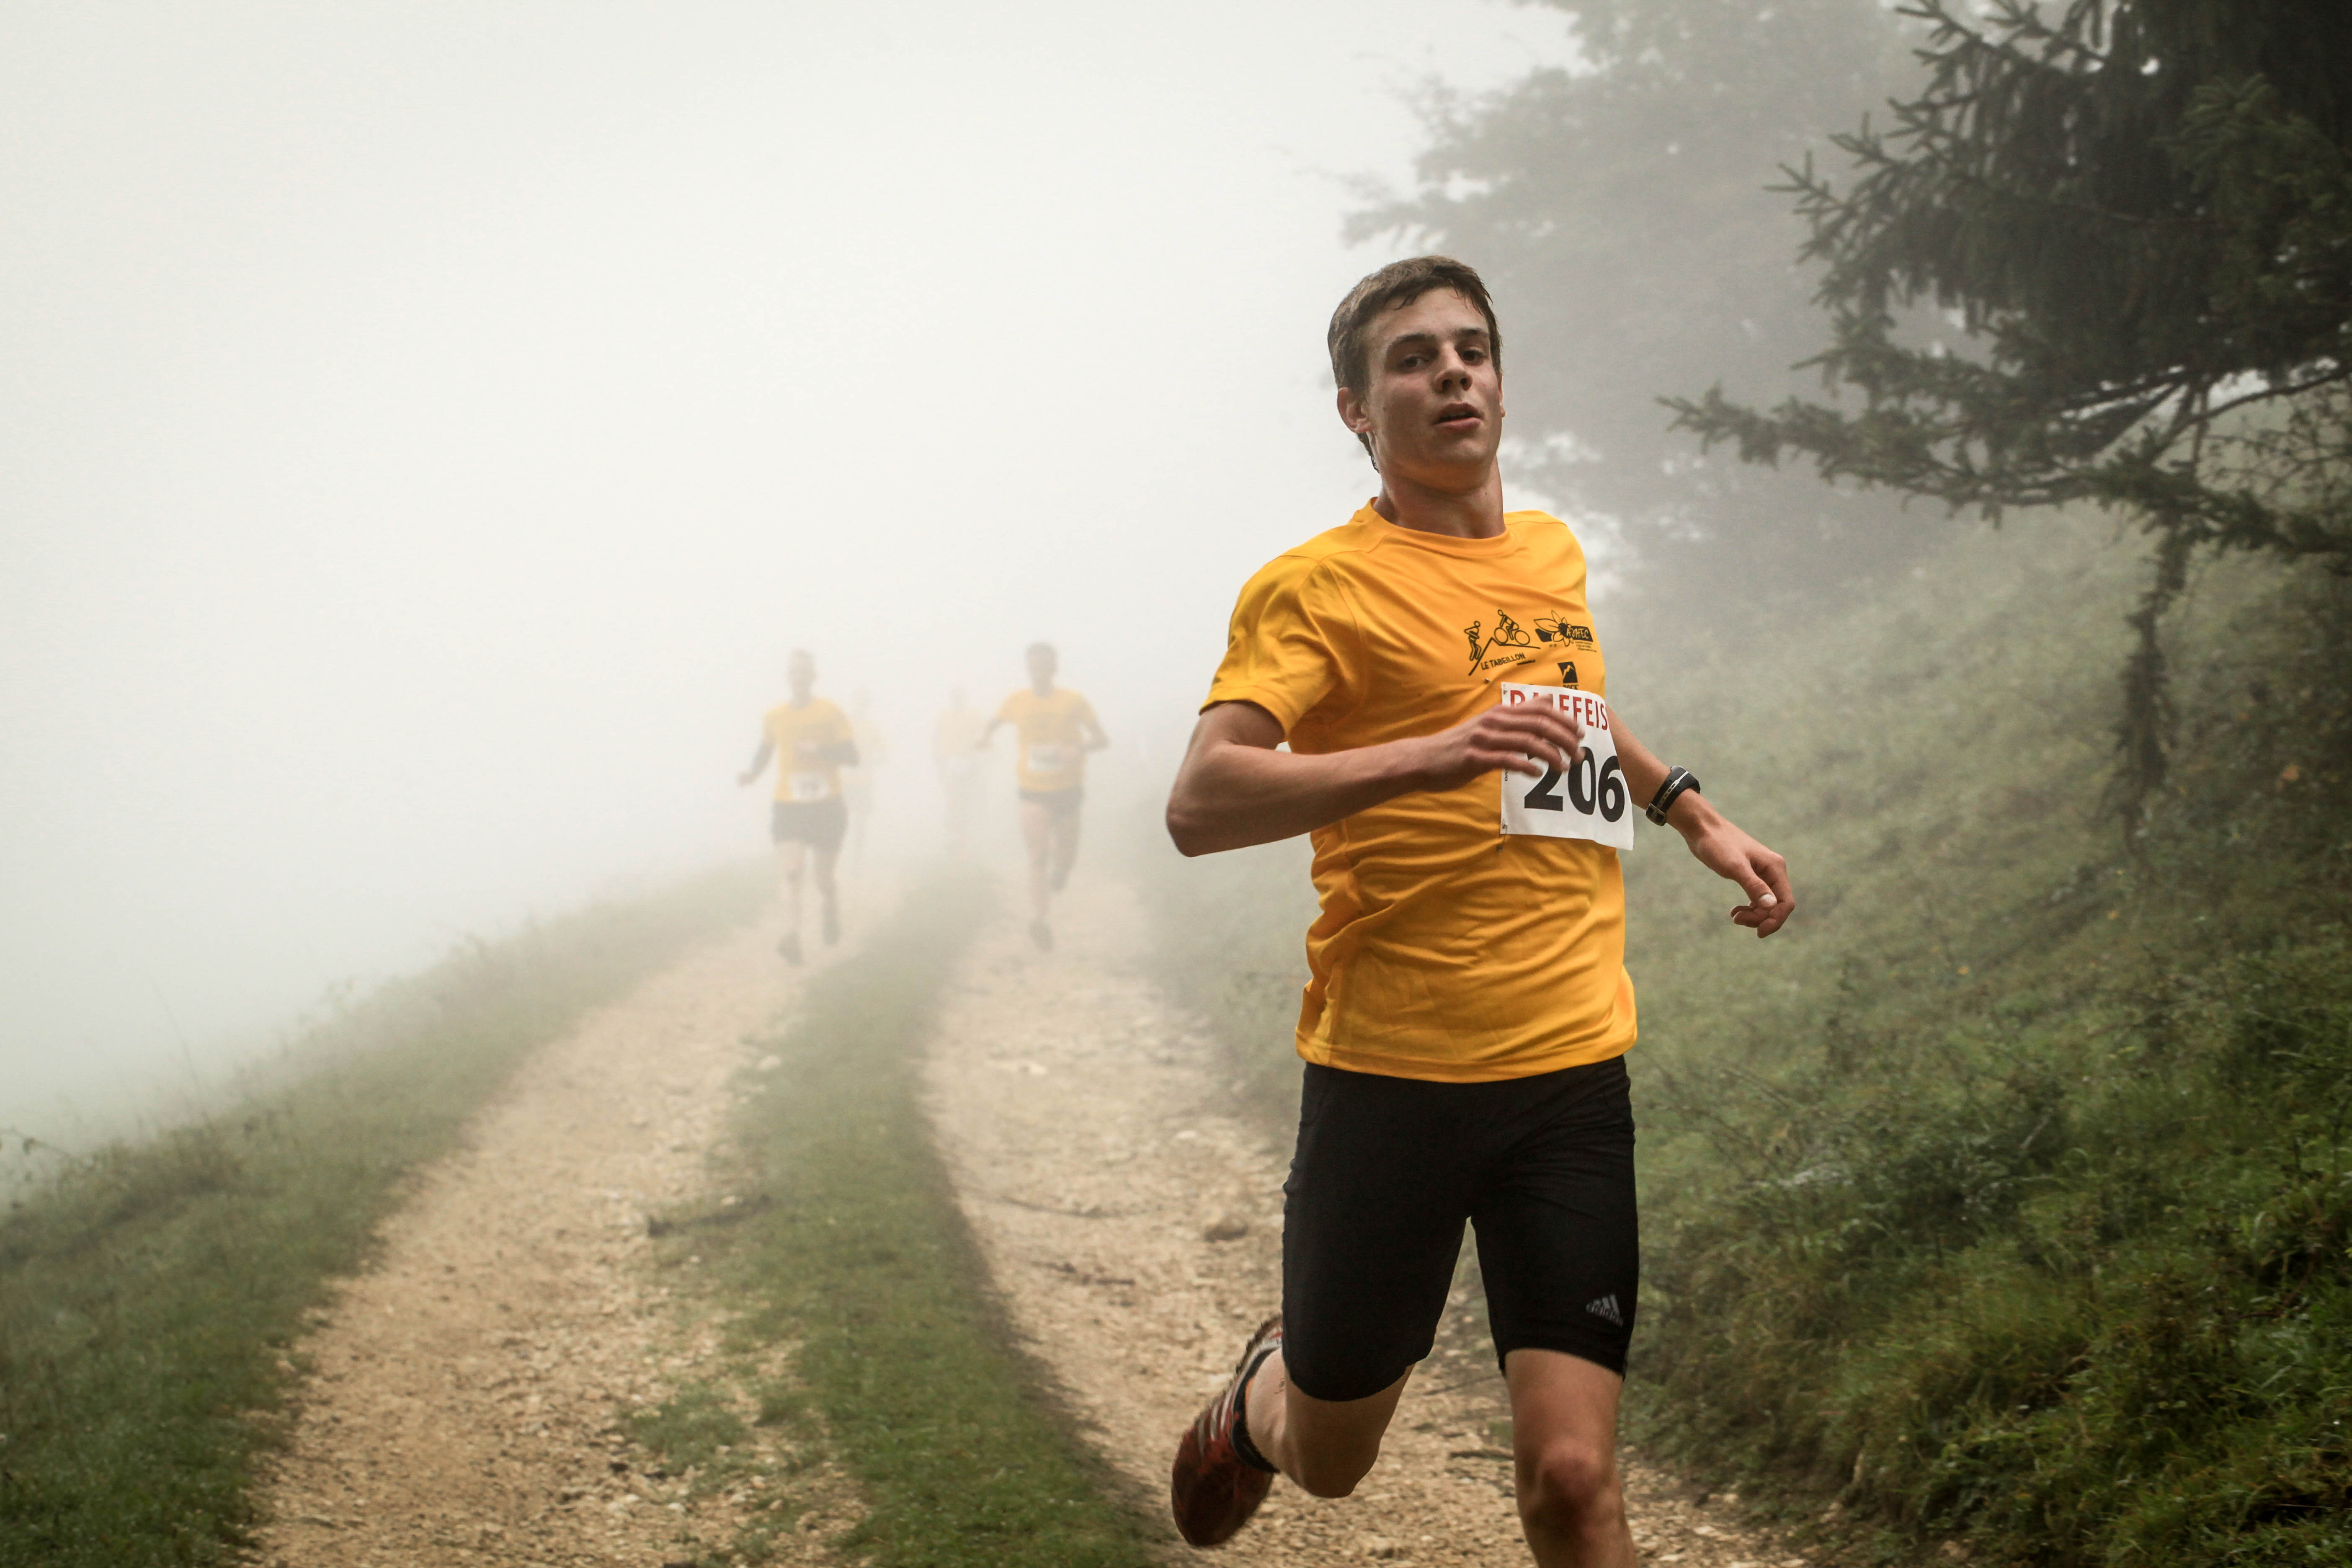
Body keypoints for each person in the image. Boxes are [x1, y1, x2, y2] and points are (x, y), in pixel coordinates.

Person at [1161, 257, 1794, 1565]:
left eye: (1472, 350)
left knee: (1571, 1480)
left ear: (1500, 381)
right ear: (1357, 410)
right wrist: (1434, 755)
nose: (1452, 372)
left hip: (1567, 1071)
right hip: (1390, 1079)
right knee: (1332, 1460)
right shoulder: (1316, 588)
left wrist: (1688, 808)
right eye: (1413, 359)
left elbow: (1564, 700)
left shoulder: (1549, 551)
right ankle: (1261, 1398)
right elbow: (1202, 801)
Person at [980, 643, 1106, 949]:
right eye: (1034, 667)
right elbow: (994, 723)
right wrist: (983, 738)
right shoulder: (1017, 701)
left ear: (1054, 668)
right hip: (1032, 789)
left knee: (1066, 853)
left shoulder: (1073, 701)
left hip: (1068, 789)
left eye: (1045, 666)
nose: (1039, 672)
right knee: (1037, 855)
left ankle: (1062, 871)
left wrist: (1078, 748)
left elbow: (1101, 739)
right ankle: (1040, 919)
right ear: (1028, 669)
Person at [737, 649, 859, 964]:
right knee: (792, 872)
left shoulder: (830, 712)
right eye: (795, 672)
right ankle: (792, 937)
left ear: (814, 677)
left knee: (823, 879)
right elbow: (765, 750)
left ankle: (830, 907)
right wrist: (752, 775)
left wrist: (819, 749)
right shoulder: (775, 716)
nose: (800, 677)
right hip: (789, 805)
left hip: (827, 806)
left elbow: (852, 757)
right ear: (788, 677)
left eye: (805, 672)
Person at [934, 686, 986, 856]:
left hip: (968, 761)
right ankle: (953, 838)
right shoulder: (944, 717)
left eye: (960, 696)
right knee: (953, 800)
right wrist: (939, 763)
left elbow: (982, 737)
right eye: (955, 696)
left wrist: (981, 760)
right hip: (949, 761)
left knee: (965, 800)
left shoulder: (974, 716)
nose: (958, 699)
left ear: (964, 698)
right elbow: (937, 739)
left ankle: (962, 840)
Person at [843, 689, 888, 874]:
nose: (860, 707)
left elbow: (884, 755)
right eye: (858, 703)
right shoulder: (844, 726)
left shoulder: (872, 729)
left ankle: (857, 861)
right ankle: (840, 857)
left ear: (866, 706)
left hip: (864, 782)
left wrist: (872, 762)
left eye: (864, 704)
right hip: (845, 782)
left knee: (860, 822)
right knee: (842, 821)